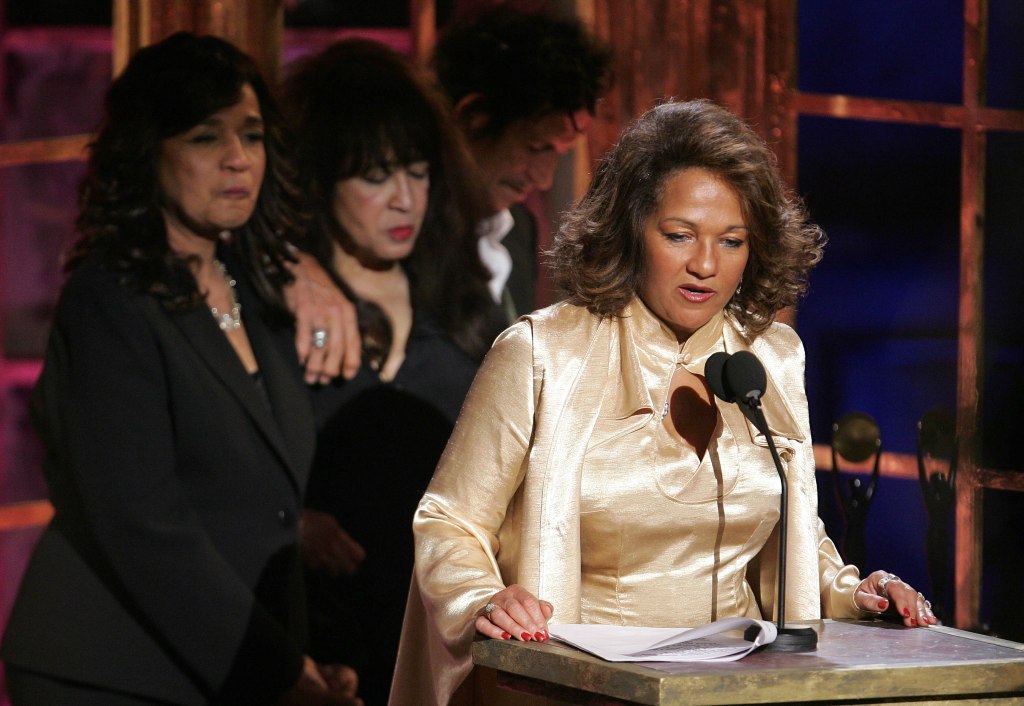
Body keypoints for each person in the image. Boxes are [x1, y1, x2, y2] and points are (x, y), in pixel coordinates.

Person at [391, 99, 938, 706]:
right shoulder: (543, 353)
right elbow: (449, 521)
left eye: (732, 241)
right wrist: (484, 599)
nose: (705, 265)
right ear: (631, 228)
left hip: (739, 690)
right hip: (584, 688)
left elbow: (787, 527)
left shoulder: (773, 356)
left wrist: (854, 592)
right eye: (679, 236)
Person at [0, 33, 361, 706]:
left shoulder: (252, 290)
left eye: (251, 136)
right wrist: (285, 673)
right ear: (149, 151)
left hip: (227, 663)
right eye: (205, 137)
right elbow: (142, 522)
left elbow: (246, 483)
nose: (237, 159)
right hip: (112, 671)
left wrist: (298, 660)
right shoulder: (109, 299)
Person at [279, 39, 501, 706]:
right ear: (321, 181)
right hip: (303, 647)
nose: (405, 199)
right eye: (376, 177)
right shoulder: (282, 307)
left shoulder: (465, 313)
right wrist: (290, 524)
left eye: (418, 172)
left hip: (437, 648)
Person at [431, 4, 613, 321]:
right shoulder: (404, 232)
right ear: (472, 117)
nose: (544, 179)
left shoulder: (520, 230)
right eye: (536, 147)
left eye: (560, 153)